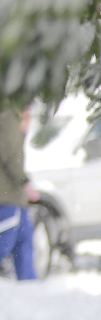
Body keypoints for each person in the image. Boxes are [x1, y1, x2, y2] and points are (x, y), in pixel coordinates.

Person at [0, 106, 39, 281]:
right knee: (5, 241)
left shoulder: (13, 118)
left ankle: (29, 285)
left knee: (24, 241)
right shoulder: (8, 118)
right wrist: (25, 182)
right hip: (6, 195)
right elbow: (11, 155)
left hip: (15, 197)